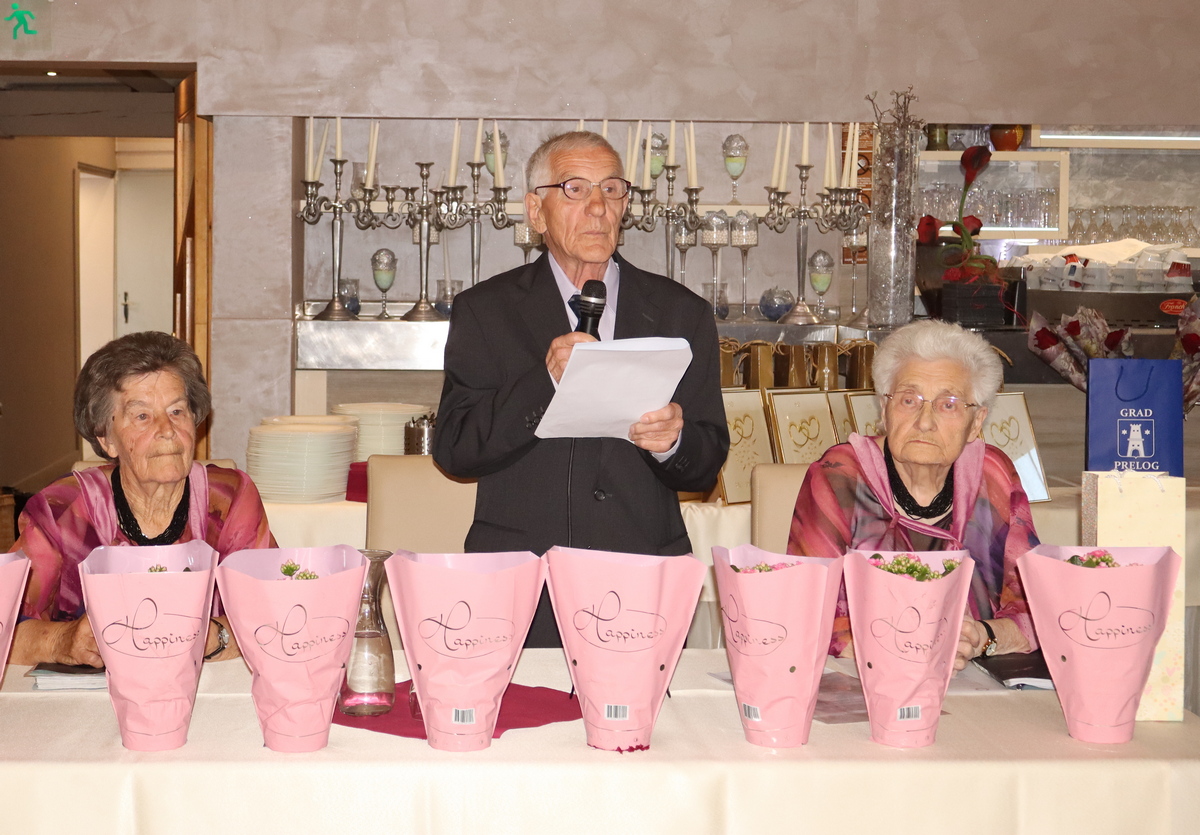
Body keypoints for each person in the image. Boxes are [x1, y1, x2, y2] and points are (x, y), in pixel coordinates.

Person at [433, 131, 729, 646]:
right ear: (536, 211)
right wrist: (544, 381)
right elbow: (456, 450)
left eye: (612, 189)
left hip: (643, 578)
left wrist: (673, 442)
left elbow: (706, 462)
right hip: (522, 586)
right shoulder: (486, 311)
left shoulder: (681, 313)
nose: (597, 207)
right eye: (575, 189)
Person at [9, 331, 276, 667]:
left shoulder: (228, 500)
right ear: (106, 438)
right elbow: (6, 628)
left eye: (177, 411)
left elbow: (275, 611)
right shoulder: (61, 511)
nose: (167, 429)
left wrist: (215, 636)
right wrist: (62, 641)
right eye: (142, 416)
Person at [788, 319, 1038, 670]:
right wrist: (909, 649)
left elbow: (1036, 605)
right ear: (884, 409)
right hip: (867, 680)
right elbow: (806, 608)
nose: (925, 421)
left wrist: (980, 636)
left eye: (948, 404)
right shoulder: (840, 477)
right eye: (909, 400)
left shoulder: (993, 475)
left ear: (976, 422)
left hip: (975, 681)